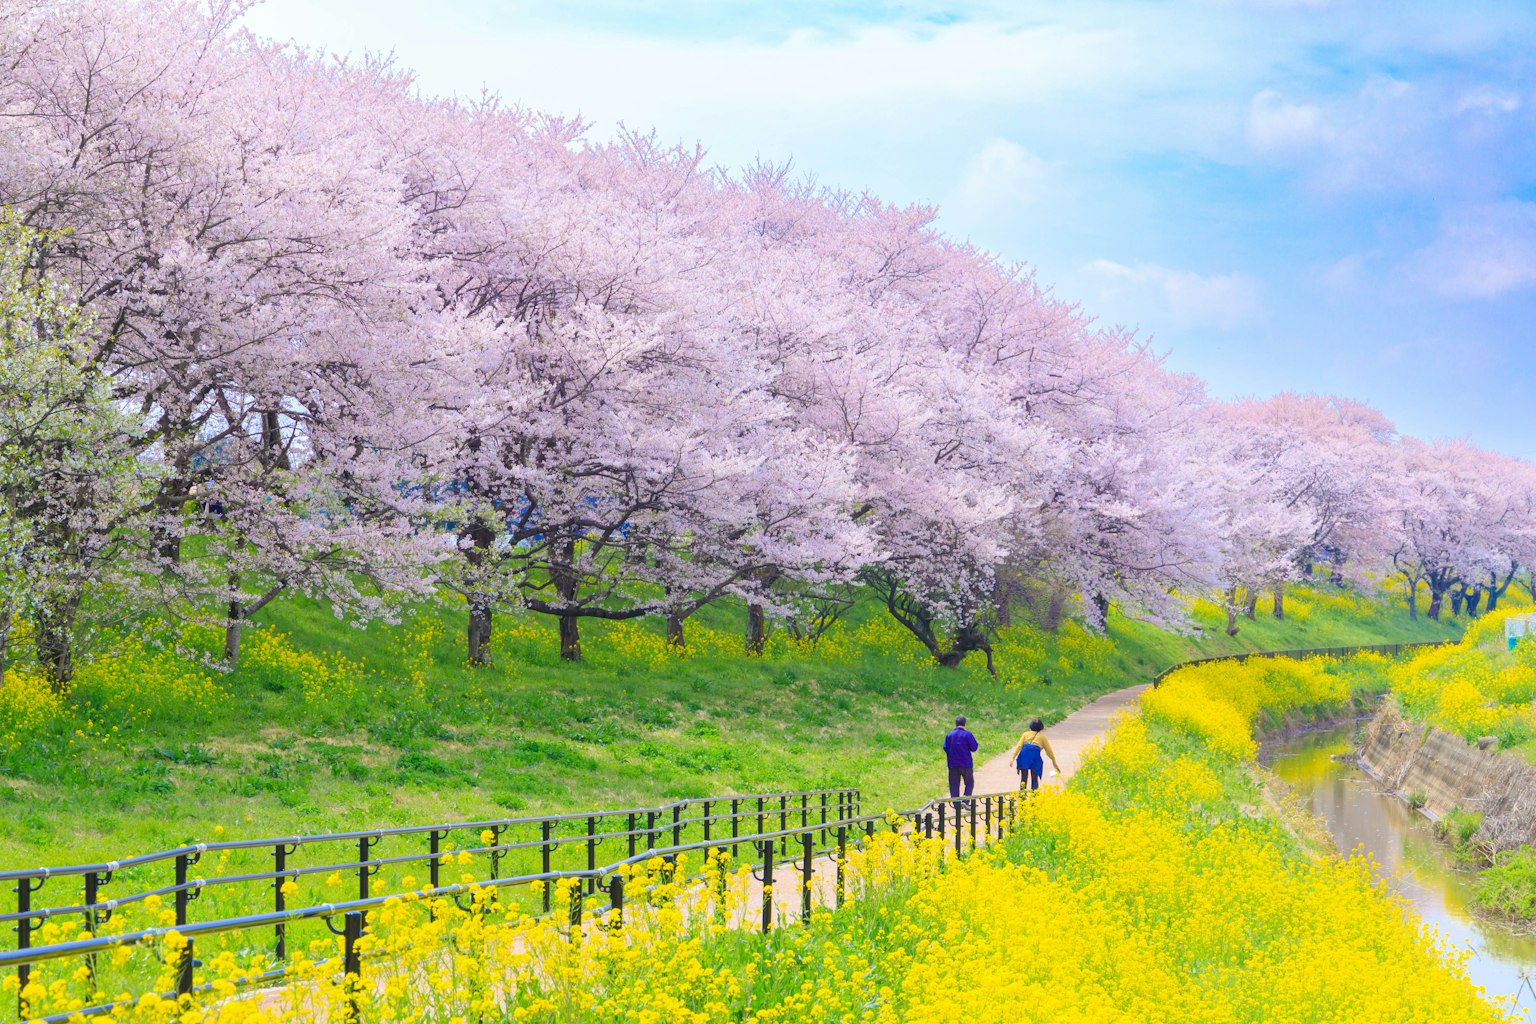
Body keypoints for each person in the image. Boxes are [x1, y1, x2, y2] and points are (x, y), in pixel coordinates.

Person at [1009, 717, 1061, 791]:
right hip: (1035, 757)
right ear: (1041, 727)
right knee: (1034, 777)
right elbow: (1049, 751)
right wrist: (1054, 761)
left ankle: (1022, 797)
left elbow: (1019, 746)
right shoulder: (1042, 737)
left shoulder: (1025, 734)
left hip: (1024, 756)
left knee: (1023, 778)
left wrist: (1012, 758)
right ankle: (1034, 797)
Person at [942, 715, 979, 799]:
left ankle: (956, 805)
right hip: (966, 764)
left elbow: (945, 747)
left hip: (953, 764)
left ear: (955, 724)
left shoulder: (949, 735)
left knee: (954, 785)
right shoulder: (967, 735)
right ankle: (965, 801)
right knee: (969, 783)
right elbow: (974, 747)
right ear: (964, 724)